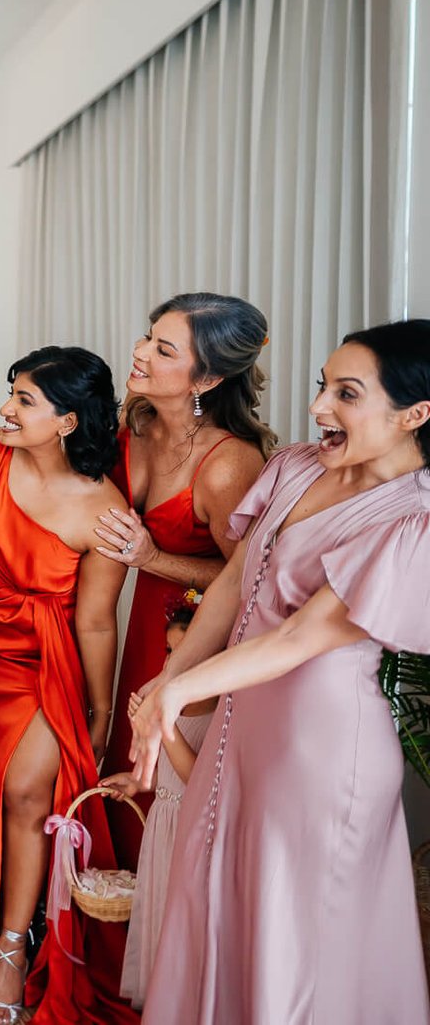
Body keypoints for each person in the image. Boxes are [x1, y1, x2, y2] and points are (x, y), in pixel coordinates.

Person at [130, 320, 430, 1024]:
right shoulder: (296, 465)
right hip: (241, 732)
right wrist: (169, 677)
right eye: (323, 385)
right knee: (213, 910)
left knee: (298, 945)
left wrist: (178, 691)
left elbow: (300, 635)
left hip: (322, 752)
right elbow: (233, 584)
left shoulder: (413, 520)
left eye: (347, 393)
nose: (319, 406)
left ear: (415, 414)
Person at [0, 347, 135, 1025]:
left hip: (48, 661)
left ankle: (12, 950)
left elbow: (98, 622)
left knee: (25, 791)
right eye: (10, 391)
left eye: (24, 399)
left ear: (68, 420)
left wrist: (100, 709)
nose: (5, 409)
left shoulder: (103, 510)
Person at [92, 294, 270, 865]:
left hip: (193, 636)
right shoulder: (135, 423)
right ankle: (114, 937)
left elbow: (252, 577)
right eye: (148, 336)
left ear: (208, 378)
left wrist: (152, 559)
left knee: (163, 782)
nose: (140, 352)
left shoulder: (228, 463)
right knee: (122, 766)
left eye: (163, 349)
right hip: (137, 621)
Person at [98, 598, 214, 1008]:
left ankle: (184, 1003)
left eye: (185, 652)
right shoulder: (169, 704)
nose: (174, 663)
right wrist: (137, 782)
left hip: (191, 831)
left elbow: (197, 777)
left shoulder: (218, 711)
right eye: (169, 652)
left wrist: (164, 725)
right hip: (162, 826)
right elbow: (164, 771)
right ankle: (161, 1002)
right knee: (159, 916)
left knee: (185, 920)